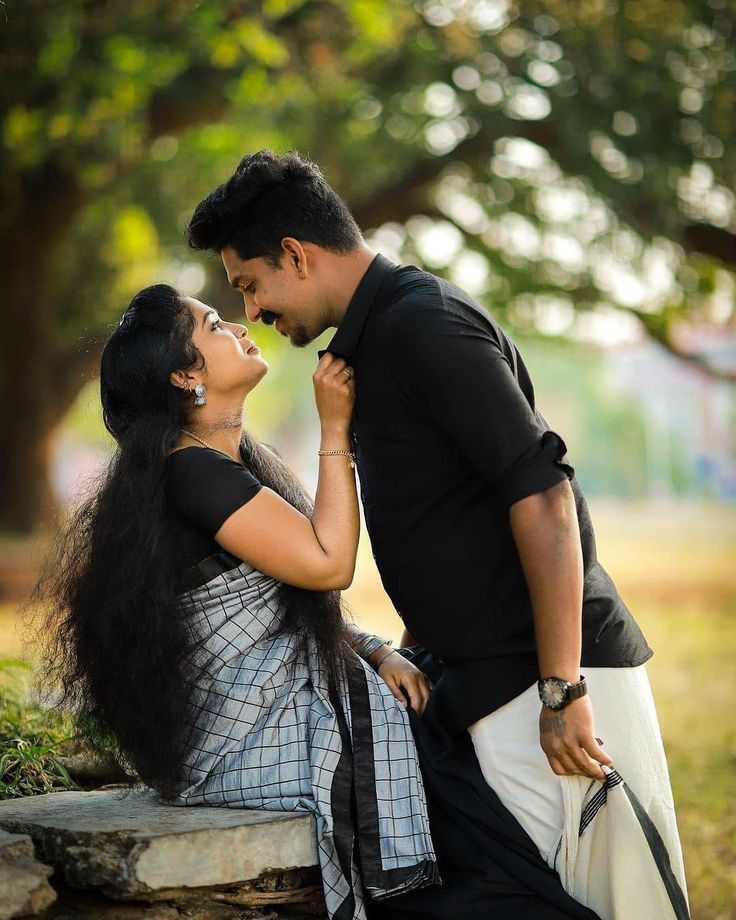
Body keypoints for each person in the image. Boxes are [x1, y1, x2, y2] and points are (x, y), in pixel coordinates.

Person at [184, 149, 690, 919]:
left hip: (553, 686)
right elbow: (440, 517)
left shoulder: (425, 324)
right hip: (487, 688)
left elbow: (545, 494)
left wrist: (563, 688)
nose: (251, 311)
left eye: (249, 285)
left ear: (295, 254)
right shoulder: (366, 345)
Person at [29, 283, 441, 920]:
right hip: (238, 747)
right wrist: (336, 428)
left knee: (440, 709)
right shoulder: (191, 471)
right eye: (216, 325)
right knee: (449, 753)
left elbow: (293, 607)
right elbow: (329, 565)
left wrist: (375, 649)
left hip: (258, 728)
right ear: (185, 374)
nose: (244, 329)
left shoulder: (227, 463)